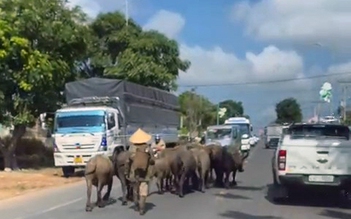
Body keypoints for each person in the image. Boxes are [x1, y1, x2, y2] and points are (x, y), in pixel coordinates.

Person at [124, 128, 155, 215]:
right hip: (146, 174)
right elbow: (153, 161)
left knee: (135, 189)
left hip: (134, 173)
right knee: (143, 191)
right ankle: (142, 208)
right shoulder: (148, 148)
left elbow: (127, 162)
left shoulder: (132, 148)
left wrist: (126, 172)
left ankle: (136, 204)